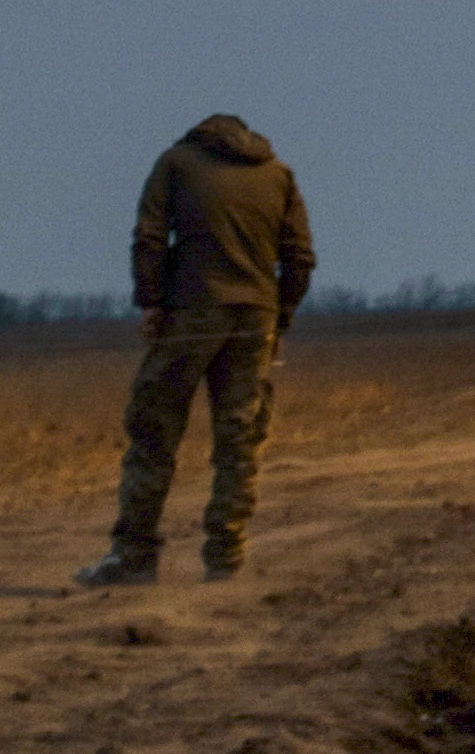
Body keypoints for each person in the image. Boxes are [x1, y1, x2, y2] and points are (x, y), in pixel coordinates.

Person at [85, 112, 315, 589]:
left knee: (154, 432)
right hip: (255, 316)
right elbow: (299, 256)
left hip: (190, 313)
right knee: (239, 440)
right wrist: (282, 317)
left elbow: (148, 236)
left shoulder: (176, 163)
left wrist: (149, 301)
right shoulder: (278, 173)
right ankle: (226, 561)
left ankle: (134, 556)